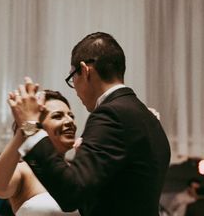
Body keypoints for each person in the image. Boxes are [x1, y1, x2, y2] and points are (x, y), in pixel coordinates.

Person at [9, 31, 171, 216]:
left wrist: (30, 125)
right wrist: (86, 160)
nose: (75, 89)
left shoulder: (111, 114)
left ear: (85, 70)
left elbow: (70, 193)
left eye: (72, 78)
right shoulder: (147, 117)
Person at [0, 90, 80, 215]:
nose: (70, 121)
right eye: (57, 116)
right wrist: (27, 126)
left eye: (71, 116)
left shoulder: (77, 171)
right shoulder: (24, 170)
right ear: (39, 126)